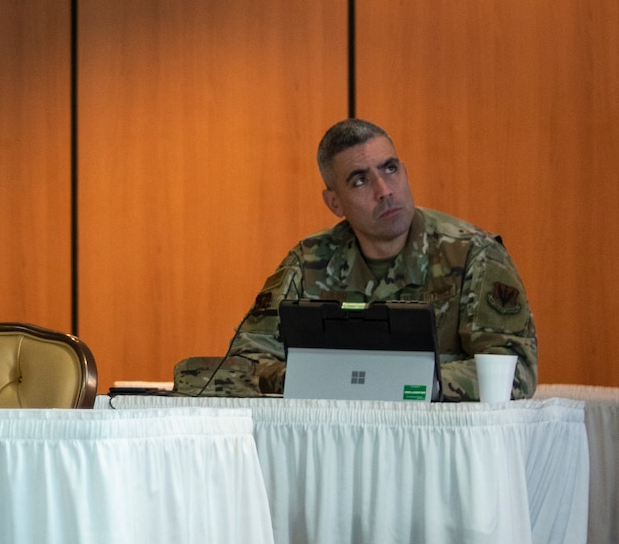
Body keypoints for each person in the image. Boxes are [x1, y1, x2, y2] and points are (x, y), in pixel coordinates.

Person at [179, 118, 537, 400]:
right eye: (361, 181)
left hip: (438, 449)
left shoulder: (474, 254)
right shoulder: (309, 262)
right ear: (334, 203)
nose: (385, 191)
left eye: (390, 169)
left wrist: (392, 379)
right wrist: (334, 378)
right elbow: (243, 364)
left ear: (405, 171)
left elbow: (513, 372)